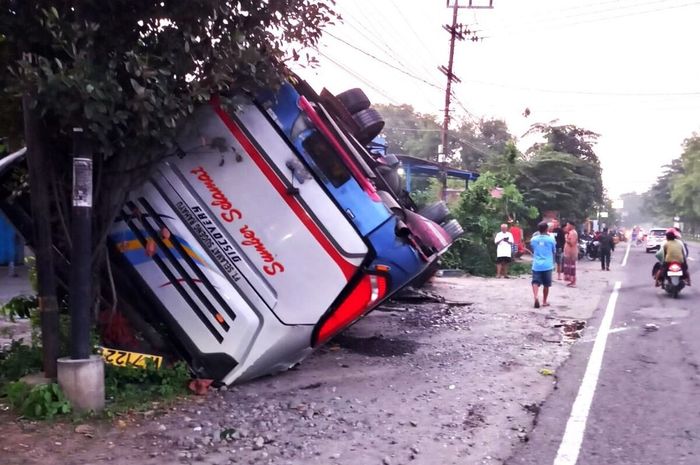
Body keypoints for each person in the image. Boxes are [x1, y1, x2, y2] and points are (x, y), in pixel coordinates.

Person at [529, 221, 556, 308]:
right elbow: (554, 251)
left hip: (536, 264)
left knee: (535, 282)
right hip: (547, 265)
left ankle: (536, 297)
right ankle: (544, 301)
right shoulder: (551, 239)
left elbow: (532, 248)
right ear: (546, 229)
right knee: (546, 284)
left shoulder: (533, 239)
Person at [563, 221, 579, 286]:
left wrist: (566, 238)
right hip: (569, 254)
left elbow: (572, 243)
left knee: (572, 268)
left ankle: (573, 282)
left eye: (567, 225)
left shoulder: (573, 233)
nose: (566, 227)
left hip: (571, 254)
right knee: (570, 267)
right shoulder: (570, 233)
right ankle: (571, 281)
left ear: (571, 226)